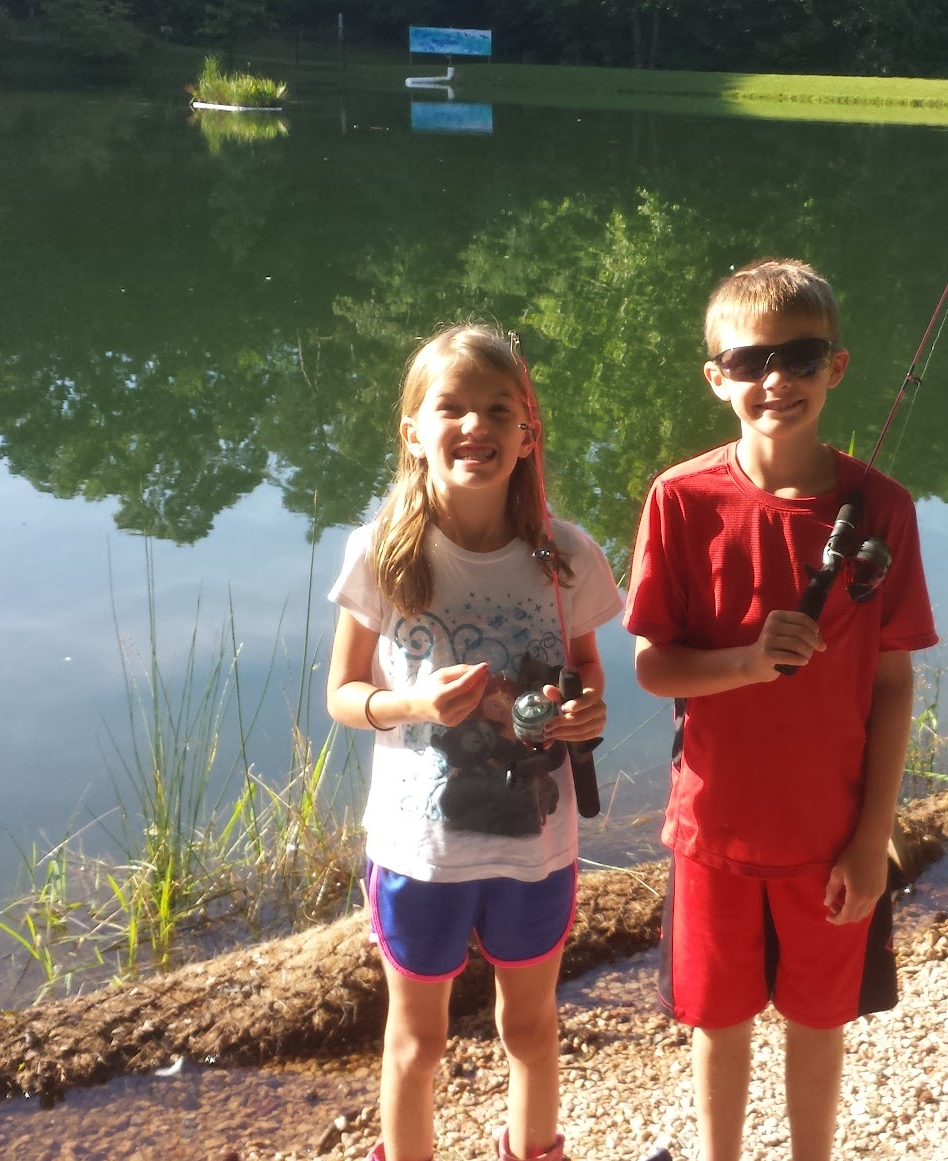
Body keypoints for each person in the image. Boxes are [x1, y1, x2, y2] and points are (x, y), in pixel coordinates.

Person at [625, 259, 939, 1161]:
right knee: (718, 1023)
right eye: (750, 360)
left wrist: (872, 839)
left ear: (835, 366)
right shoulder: (680, 499)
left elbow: (892, 683)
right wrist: (748, 663)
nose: (776, 380)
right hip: (714, 832)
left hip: (830, 834)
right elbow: (653, 669)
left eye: (800, 357)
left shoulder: (885, 508)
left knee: (818, 1022)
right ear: (716, 377)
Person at [326, 322, 624, 1161]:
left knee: (530, 1025)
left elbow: (588, 668)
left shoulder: (566, 554)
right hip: (420, 850)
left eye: (499, 409)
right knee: (417, 1041)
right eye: (451, 407)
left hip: (536, 844)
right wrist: (413, 701)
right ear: (413, 432)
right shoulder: (380, 554)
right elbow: (343, 694)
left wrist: (586, 711)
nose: (475, 426)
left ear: (528, 435)